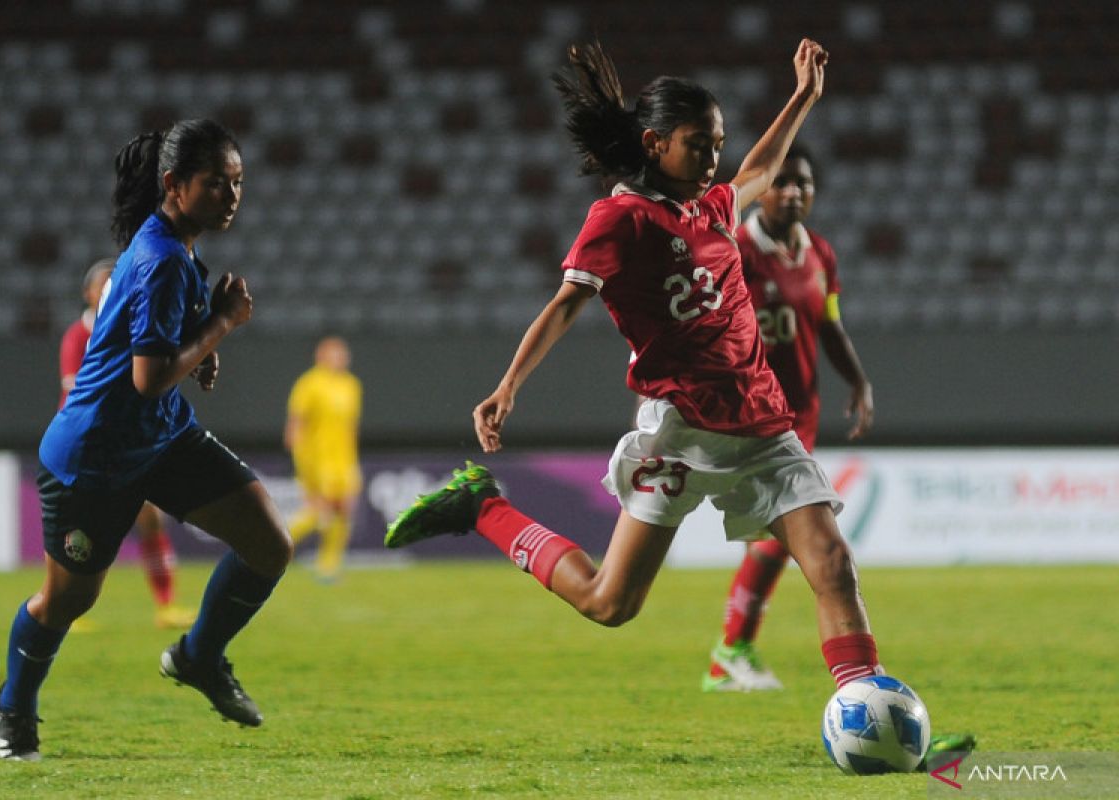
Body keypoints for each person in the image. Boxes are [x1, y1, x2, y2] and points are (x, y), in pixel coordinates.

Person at [385, 37, 965, 769]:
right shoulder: (618, 220)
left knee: (832, 565)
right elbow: (567, 304)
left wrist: (804, 98)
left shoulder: (715, 204)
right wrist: (507, 387)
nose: (715, 158)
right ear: (655, 142)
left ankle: (875, 713)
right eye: (700, 144)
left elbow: (760, 168)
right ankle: (482, 506)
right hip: (681, 432)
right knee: (608, 602)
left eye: (718, 143)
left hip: (761, 422)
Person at [0, 118, 293, 761]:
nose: (232, 196)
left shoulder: (174, 248)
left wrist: (202, 334)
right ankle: (10, 708)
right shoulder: (157, 260)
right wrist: (223, 325)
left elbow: (159, 356)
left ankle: (198, 657)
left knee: (267, 541)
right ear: (174, 186)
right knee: (67, 600)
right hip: (95, 454)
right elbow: (149, 378)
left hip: (160, 439)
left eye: (238, 183)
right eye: (217, 184)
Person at [700, 145, 871, 692]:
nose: (794, 192)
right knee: (780, 536)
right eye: (783, 182)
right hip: (750, 413)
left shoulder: (820, 253)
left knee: (776, 539)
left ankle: (731, 653)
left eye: (804, 183)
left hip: (802, 416)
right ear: (762, 188)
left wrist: (858, 379)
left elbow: (829, 325)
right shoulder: (735, 250)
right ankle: (731, 650)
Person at [59, 257, 197, 631]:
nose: (109, 290)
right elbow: (76, 395)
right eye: (102, 285)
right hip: (88, 444)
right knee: (78, 532)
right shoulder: (78, 336)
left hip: (129, 442)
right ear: (88, 294)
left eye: (114, 284)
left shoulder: (133, 329)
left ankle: (166, 605)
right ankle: (63, 608)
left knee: (150, 519)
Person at [283, 335, 362, 582]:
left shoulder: (351, 385)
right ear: (321, 356)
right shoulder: (309, 384)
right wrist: (301, 461)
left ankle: (328, 565)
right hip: (318, 458)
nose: (340, 358)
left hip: (344, 459)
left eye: (342, 353)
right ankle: (272, 545)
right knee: (320, 509)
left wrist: (353, 458)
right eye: (334, 353)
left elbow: (351, 426)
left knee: (345, 509)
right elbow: (295, 426)